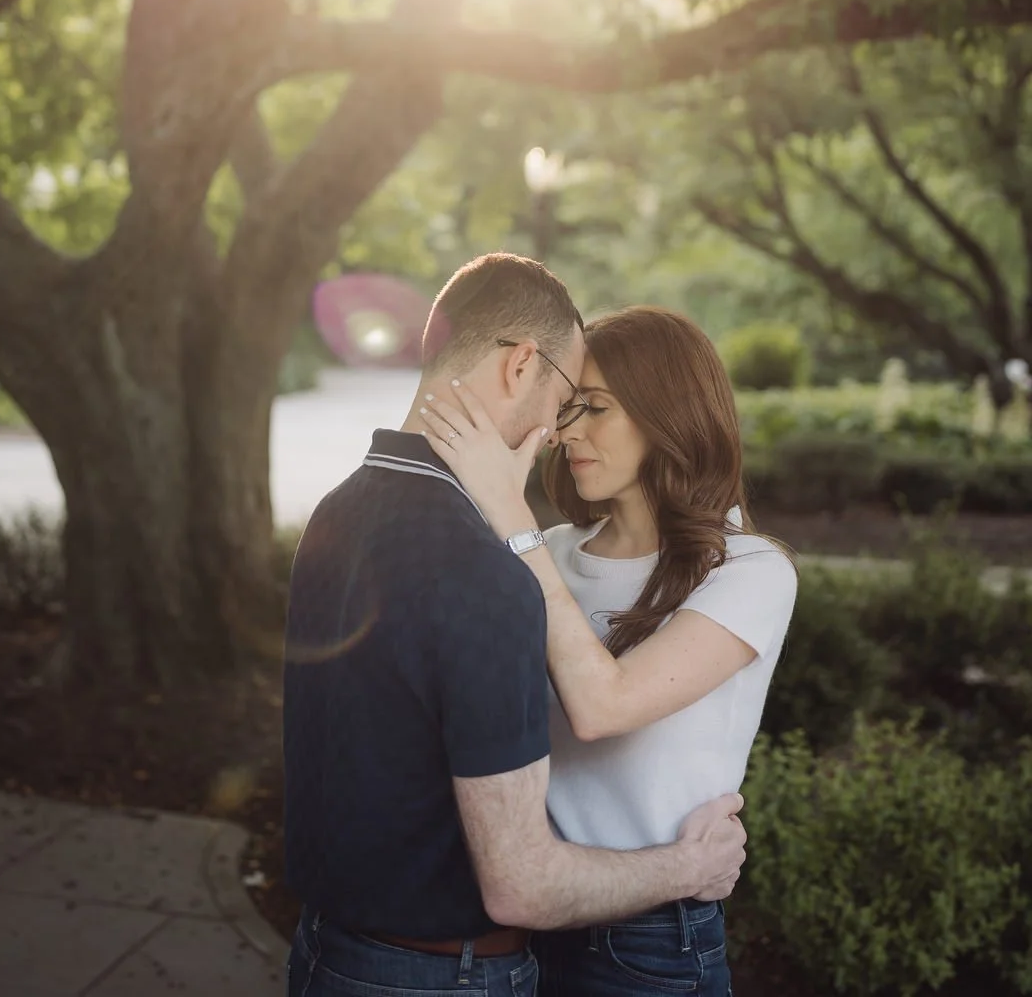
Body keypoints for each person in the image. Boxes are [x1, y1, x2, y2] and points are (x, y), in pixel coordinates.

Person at [283, 256, 748, 997]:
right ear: (522, 363)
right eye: (566, 397)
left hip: (327, 950)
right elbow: (522, 885)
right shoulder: (488, 571)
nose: (557, 432)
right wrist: (692, 867)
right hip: (438, 977)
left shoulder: (340, 510)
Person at [420, 303, 798, 997]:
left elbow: (602, 705)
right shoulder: (553, 551)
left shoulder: (750, 571)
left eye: (594, 409)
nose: (568, 434)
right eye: (565, 409)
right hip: (517, 920)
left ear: (667, 414)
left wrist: (511, 514)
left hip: (648, 944)